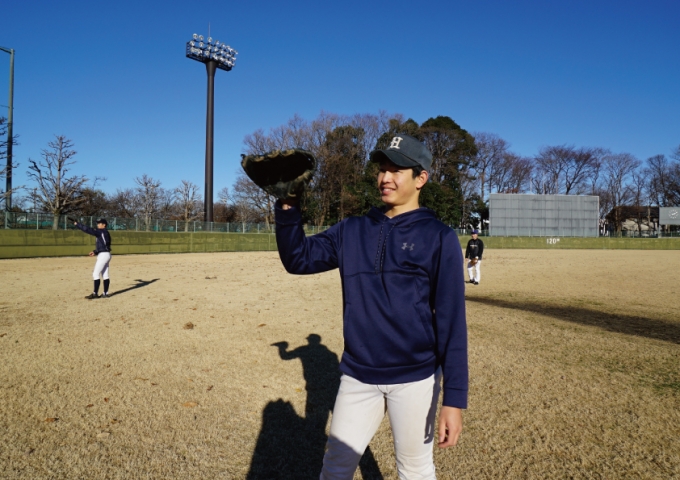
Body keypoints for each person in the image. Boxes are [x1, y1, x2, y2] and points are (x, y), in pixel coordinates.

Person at [275, 134, 468, 479]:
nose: (385, 178)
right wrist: (288, 204)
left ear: (420, 178)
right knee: (336, 465)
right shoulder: (351, 229)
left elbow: (452, 322)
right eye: (382, 169)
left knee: (415, 470)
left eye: (396, 170)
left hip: (415, 378)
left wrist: (453, 399)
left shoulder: (439, 237)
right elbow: (298, 259)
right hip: (358, 375)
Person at [72, 217, 112, 299]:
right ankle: (105, 293)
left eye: (99, 223)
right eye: (98, 223)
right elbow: (104, 245)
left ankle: (95, 294)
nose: (98, 224)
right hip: (106, 254)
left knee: (95, 274)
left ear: (104, 225)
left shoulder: (101, 231)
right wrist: (95, 252)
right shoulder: (105, 232)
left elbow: (88, 230)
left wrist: (77, 224)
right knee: (105, 275)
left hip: (103, 255)